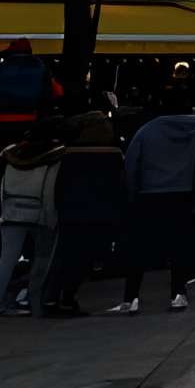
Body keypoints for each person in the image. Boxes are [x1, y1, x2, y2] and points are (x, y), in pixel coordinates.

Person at [117, 102, 195, 313]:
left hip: (148, 194)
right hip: (182, 193)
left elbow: (132, 163)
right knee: (179, 246)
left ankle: (131, 297)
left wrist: (133, 195)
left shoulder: (146, 130)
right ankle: (178, 294)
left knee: (139, 247)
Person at [37, 116, 126, 317]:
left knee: (66, 256)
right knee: (84, 258)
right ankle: (67, 297)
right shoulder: (113, 154)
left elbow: (59, 186)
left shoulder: (68, 153)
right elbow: (119, 186)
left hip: (71, 212)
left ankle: (52, 297)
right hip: (99, 213)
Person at [0, 130, 56, 316]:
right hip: (39, 211)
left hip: (11, 210)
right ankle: (35, 302)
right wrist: (51, 218)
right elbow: (49, 189)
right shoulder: (53, 157)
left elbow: (0, 186)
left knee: (7, 259)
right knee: (42, 258)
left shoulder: (10, 155)